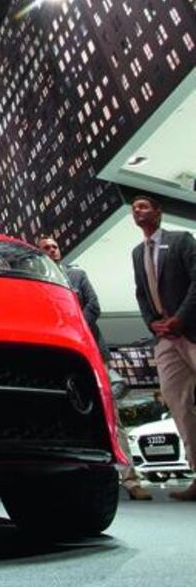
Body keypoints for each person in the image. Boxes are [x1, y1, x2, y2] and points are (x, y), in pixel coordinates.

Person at [38, 234, 152, 501]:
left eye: (55, 246)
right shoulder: (37, 280)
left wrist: (75, 329)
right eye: (46, 248)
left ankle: (130, 479)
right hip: (56, 355)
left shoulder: (77, 276)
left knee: (111, 414)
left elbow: (94, 305)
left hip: (90, 350)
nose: (53, 250)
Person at [130, 195, 196, 501]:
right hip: (165, 340)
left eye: (143, 206)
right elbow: (142, 293)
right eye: (134, 208)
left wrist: (180, 318)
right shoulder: (136, 253)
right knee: (179, 405)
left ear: (158, 211)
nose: (137, 211)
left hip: (191, 329)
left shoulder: (181, 240)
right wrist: (152, 323)